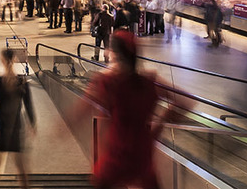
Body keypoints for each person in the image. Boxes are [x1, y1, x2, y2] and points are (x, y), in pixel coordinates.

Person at [75, 31, 178, 189]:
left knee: (103, 182)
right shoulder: (149, 82)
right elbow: (185, 101)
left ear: (115, 54)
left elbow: (80, 112)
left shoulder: (108, 83)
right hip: (142, 151)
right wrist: (161, 123)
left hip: (118, 151)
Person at [0, 49, 36, 189]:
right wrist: (32, 124)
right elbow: (29, 106)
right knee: (21, 167)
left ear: (1, 61)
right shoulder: (22, 82)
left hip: (1, 127)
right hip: (16, 127)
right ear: (14, 60)